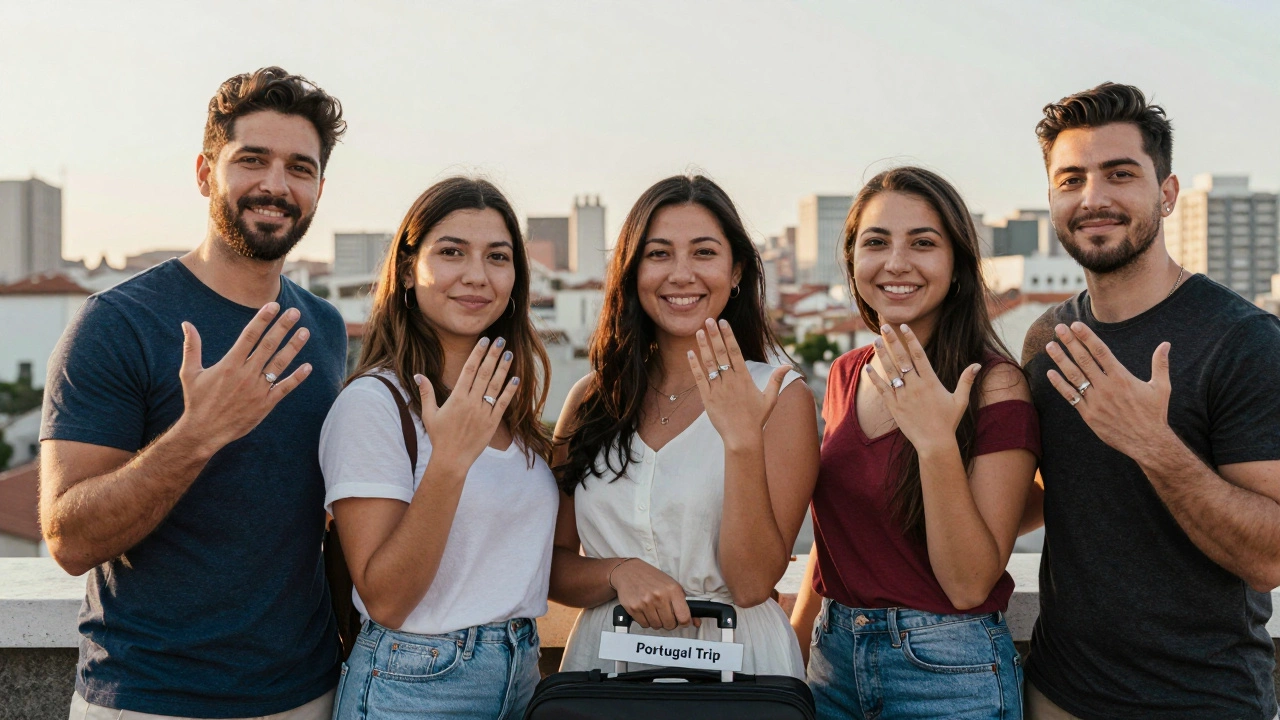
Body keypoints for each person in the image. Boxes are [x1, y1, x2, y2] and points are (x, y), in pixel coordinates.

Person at [39, 67, 347, 719]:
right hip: (150, 699)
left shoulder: (324, 327)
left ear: (319, 188)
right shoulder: (117, 323)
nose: (275, 185)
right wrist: (198, 434)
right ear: (206, 173)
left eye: (300, 167)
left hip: (306, 694)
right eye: (252, 160)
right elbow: (68, 540)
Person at [1019, 82, 1280, 719]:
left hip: (1201, 702)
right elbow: (1051, 494)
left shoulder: (1243, 340)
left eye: (1120, 174)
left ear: (1166, 194)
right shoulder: (1047, 337)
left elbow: (1268, 557)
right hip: (1057, 694)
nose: (1094, 198)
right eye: (1071, 178)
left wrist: (1151, 442)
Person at [788, 166, 1039, 719]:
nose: (896, 262)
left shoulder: (994, 385)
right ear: (853, 261)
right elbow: (832, 536)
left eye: (923, 243)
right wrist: (795, 644)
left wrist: (935, 443)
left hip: (947, 672)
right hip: (833, 662)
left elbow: (970, 583)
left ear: (957, 268)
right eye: (876, 242)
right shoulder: (845, 374)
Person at [549, 174, 820, 678]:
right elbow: (552, 565)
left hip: (742, 670)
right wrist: (618, 571)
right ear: (632, 271)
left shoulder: (780, 397)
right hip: (609, 668)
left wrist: (741, 441)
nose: (681, 274)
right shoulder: (590, 398)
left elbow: (752, 582)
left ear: (736, 270)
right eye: (658, 254)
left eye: (703, 253)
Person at [321, 177, 557, 720]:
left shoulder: (508, 404)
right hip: (414, 686)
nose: (476, 275)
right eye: (451, 252)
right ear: (408, 270)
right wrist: (450, 461)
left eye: (497, 257)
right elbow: (386, 598)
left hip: (519, 673)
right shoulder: (375, 405)